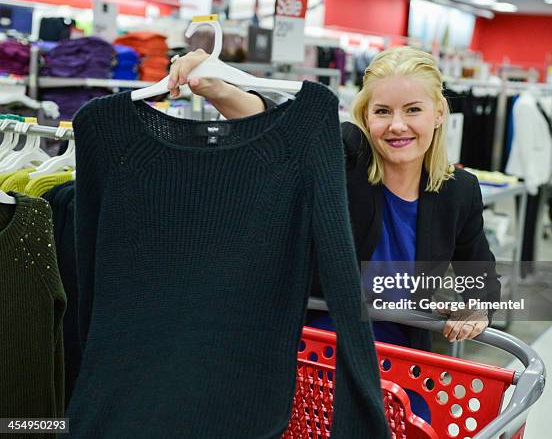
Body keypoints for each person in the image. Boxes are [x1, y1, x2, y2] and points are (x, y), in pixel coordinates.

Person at [167, 47, 501, 352]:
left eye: (413, 110)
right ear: (366, 116)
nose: (397, 125)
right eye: (383, 111)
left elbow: (485, 279)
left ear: (439, 112)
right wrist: (218, 88)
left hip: (402, 357)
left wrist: (476, 304)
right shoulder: (345, 154)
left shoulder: (459, 190)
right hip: (319, 347)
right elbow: (277, 133)